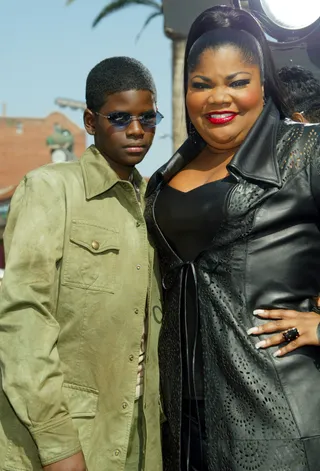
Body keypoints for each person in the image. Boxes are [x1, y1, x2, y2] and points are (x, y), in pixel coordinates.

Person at [145, 5, 320, 471]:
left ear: (263, 86)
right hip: (185, 433)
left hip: (279, 429)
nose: (218, 98)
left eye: (237, 82)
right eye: (201, 85)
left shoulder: (305, 152)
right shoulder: (164, 177)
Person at [0, 56, 164, 471]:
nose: (136, 130)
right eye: (120, 117)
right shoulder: (51, 189)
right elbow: (23, 321)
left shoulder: (156, 203)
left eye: (148, 118)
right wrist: (57, 444)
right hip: (66, 440)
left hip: (141, 437)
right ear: (90, 122)